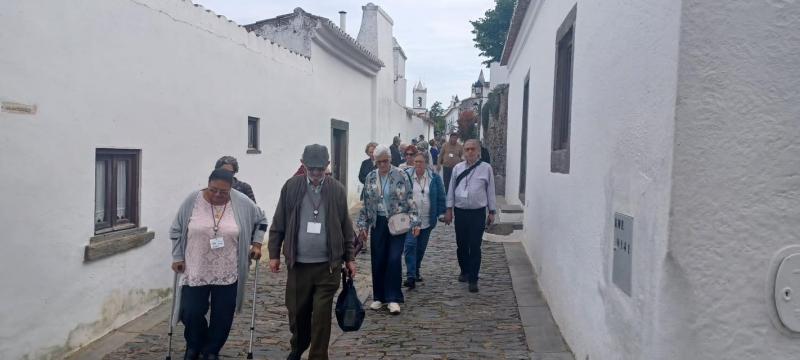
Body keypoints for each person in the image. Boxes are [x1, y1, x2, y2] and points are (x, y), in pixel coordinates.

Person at [268, 144, 356, 360]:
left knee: (321, 316)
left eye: (320, 168)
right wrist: (273, 253)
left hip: (328, 265)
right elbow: (279, 222)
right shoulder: (291, 186)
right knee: (297, 313)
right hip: (298, 265)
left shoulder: (336, 189)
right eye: (312, 168)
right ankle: (298, 345)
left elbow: (345, 226)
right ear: (303, 164)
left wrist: (350, 258)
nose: (316, 173)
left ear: (327, 165)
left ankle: (317, 355)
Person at [169, 169, 267, 360]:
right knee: (191, 312)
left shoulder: (241, 202)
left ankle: (211, 350)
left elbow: (261, 220)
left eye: (223, 192)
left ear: (231, 189)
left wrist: (256, 243)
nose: (217, 195)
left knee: (223, 315)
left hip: (228, 269)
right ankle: (194, 345)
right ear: (208, 184)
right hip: (196, 267)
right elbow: (176, 230)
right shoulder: (192, 200)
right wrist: (177, 257)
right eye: (213, 190)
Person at [357, 145, 420, 315]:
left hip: (397, 223)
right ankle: (379, 297)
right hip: (378, 222)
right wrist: (363, 225)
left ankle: (393, 298)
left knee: (393, 259)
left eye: (386, 161)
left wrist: (415, 222)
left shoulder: (401, 175)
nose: (383, 164)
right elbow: (366, 203)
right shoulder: (370, 177)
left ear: (390, 160)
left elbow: (410, 199)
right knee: (378, 259)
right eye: (379, 162)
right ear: (375, 162)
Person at [443, 139, 497, 293]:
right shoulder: (457, 168)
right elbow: (451, 189)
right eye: (467, 149)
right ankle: (464, 270)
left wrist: (492, 211)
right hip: (460, 212)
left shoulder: (486, 169)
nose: (470, 152)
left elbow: (491, 191)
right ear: (463, 151)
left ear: (478, 151)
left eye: (473, 149)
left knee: (475, 245)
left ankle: (473, 278)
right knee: (461, 244)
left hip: (477, 213)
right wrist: (449, 210)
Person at [402, 152, 446, 289]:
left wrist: (441, 213)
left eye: (420, 162)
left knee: (420, 248)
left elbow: (440, 197)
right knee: (410, 246)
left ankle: (416, 270)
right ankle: (410, 276)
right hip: (410, 219)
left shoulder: (435, 178)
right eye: (415, 162)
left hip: (427, 219)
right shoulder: (406, 176)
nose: (417, 165)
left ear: (426, 163)